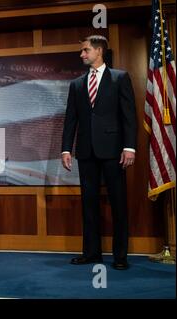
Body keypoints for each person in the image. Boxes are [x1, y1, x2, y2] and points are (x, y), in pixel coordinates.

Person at [61, 35, 137, 270]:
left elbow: (129, 116)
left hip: (114, 151)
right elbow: (70, 119)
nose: (82, 54)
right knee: (89, 204)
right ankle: (91, 253)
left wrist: (129, 146)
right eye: (82, 51)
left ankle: (120, 256)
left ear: (99, 50)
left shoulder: (120, 77)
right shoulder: (76, 84)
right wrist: (66, 148)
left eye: (85, 50)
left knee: (118, 203)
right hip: (86, 151)